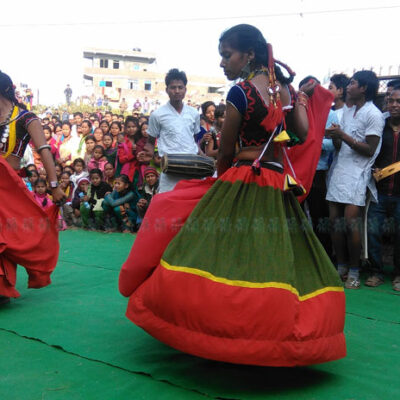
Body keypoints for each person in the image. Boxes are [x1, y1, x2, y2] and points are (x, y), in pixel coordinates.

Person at [119, 24, 345, 366]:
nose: (223, 62)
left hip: (242, 177)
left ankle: (218, 331)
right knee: (276, 257)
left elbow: (225, 150)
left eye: (227, 55)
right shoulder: (281, 90)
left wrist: (219, 182)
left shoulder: (239, 93)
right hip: (277, 181)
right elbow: (300, 133)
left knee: (212, 251)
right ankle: (275, 335)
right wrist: (298, 98)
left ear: (248, 55)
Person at [0, 71, 65, 305]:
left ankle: (2, 288)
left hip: (10, 190)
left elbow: (44, 150)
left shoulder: (26, 118)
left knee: (6, 237)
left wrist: (54, 185)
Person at [326, 71, 385, 289]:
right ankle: (340, 266)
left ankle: (354, 270)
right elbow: (341, 146)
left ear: (364, 89)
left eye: (352, 83)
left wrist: (343, 136)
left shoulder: (374, 114)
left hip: (358, 173)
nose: (348, 86)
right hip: (340, 170)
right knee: (334, 222)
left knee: (351, 223)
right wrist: (336, 137)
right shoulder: (347, 111)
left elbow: (369, 150)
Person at [366, 85, 400, 290]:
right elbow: (370, 151)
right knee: (373, 232)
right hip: (378, 191)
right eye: (391, 101)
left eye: (398, 101)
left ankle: (398, 275)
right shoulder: (380, 126)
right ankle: (376, 272)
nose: (394, 105)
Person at [147, 68, 201, 192]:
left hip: (191, 167)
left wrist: (204, 157)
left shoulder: (194, 113)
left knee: (189, 203)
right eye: (173, 87)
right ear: (167, 90)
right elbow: (150, 141)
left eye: (180, 87)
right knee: (167, 203)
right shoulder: (157, 114)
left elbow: (193, 141)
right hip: (169, 168)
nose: (177, 91)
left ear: (185, 90)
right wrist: (148, 153)